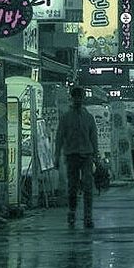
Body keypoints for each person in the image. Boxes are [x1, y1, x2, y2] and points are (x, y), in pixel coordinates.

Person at [54, 86, 99, 229]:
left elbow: (94, 137)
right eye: (76, 97)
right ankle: (72, 213)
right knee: (72, 187)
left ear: (83, 98)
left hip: (87, 155)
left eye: (80, 97)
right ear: (72, 98)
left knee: (88, 186)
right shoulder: (66, 117)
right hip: (71, 155)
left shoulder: (89, 117)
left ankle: (88, 217)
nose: (78, 99)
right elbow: (59, 137)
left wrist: (96, 155)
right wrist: (56, 156)